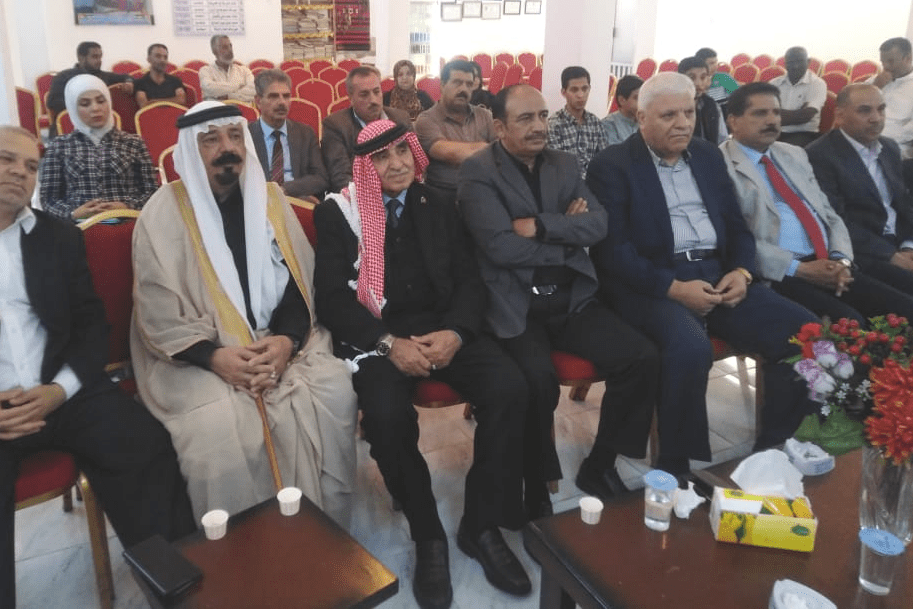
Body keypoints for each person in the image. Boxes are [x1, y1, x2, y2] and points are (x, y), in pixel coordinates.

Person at [0, 125, 194, 608]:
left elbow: (90, 326)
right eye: (5, 159)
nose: (20, 172)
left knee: (144, 447)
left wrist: (60, 390)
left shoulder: (58, 236)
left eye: (31, 166)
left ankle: (181, 593)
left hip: (58, 396)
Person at [315, 120, 531, 608]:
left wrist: (456, 333)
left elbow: (470, 280)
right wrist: (388, 343)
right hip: (380, 335)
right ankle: (428, 531)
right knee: (386, 417)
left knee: (510, 389)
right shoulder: (339, 214)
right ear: (364, 166)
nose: (396, 164)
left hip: (443, 328)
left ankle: (480, 524)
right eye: (382, 157)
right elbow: (331, 299)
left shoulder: (438, 201)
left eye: (402, 152)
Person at [130, 101, 356, 525]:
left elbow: (300, 282)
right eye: (210, 140)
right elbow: (158, 311)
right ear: (189, 150)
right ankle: (243, 545)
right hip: (197, 354)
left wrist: (286, 342)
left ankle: (322, 531)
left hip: (278, 341)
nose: (226, 148)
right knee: (219, 426)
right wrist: (215, 357)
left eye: (235, 136)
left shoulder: (271, 200)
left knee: (332, 390)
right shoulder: (162, 212)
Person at [587, 72, 814, 479]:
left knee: (804, 331)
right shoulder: (613, 166)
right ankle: (675, 467)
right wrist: (673, 288)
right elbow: (613, 251)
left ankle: (773, 446)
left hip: (718, 274)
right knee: (690, 348)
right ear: (641, 118)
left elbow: (737, 227)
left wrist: (742, 272)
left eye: (689, 113)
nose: (683, 124)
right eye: (669, 115)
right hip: (652, 282)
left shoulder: (707, 156)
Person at [459, 85, 659, 508]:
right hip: (516, 304)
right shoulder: (478, 171)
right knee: (536, 383)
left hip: (570, 297)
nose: (539, 127)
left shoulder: (564, 164)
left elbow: (599, 225)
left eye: (543, 116)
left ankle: (600, 464)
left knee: (641, 357)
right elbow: (500, 247)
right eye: (525, 119)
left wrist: (541, 226)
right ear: (500, 128)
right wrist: (567, 238)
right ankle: (537, 485)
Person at [721, 82, 913, 335]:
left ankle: (905, 364)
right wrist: (800, 269)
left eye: (776, 112)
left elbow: (829, 215)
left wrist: (841, 259)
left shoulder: (792, 154)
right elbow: (733, 238)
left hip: (827, 262)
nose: (771, 120)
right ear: (733, 121)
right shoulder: (720, 165)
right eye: (760, 113)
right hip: (781, 272)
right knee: (850, 325)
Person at [806, 83, 913, 303]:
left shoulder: (889, 148)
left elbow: (905, 205)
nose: (876, 118)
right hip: (861, 249)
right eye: (865, 110)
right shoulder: (820, 155)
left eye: (881, 109)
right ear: (840, 115)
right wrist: (890, 255)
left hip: (898, 243)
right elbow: (835, 220)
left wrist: (911, 247)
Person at [38, 75, 158, 221]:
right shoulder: (59, 146)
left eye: (101, 101)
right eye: (85, 104)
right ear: (73, 108)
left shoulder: (133, 143)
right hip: (78, 228)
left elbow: (152, 193)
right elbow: (48, 200)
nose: (95, 108)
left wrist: (127, 206)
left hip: (129, 224)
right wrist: (73, 213)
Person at [322, 65, 409, 192]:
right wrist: (378, 196)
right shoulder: (336, 125)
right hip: (361, 196)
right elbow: (341, 178)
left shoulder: (400, 118)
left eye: (376, 92)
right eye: (364, 95)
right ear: (351, 98)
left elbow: (416, 163)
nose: (373, 100)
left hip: (403, 191)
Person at [415, 59, 495, 195]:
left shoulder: (484, 115)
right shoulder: (426, 119)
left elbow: (505, 150)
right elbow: (451, 153)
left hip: (484, 190)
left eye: (469, 84)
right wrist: (491, 149)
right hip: (443, 193)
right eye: (457, 82)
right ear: (442, 85)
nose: (463, 89)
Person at [248, 69, 329, 202]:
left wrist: (286, 190)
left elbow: (320, 178)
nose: (282, 102)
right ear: (258, 101)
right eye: (273, 96)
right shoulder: (247, 135)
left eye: (286, 96)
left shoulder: (305, 133)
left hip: (298, 199)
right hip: (260, 203)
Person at [872, 37, 913, 159]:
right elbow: (852, 106)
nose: (885, 66)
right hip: (865, 138)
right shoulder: (876, 80)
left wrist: (874, 137)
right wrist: (875, 87)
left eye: (891, 61)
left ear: (908, 58)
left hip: (898, 147)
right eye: (882, 62)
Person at [546, 66, 608, 179]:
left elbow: (604, 160)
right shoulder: (554, 125)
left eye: (585, 89)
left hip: (595, 182)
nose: (581, 95)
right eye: (574, 90)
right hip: (566, 183)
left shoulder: (595, 123)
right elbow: (558, 166)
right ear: (564, 92)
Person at [47, 41, 133, 120]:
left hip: (100, 121)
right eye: (95, 57)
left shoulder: (103, 76)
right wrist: (84, 107)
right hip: (72, 122)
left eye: (100, 57)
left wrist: (129, 81)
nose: (99, 61)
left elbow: (127, 77)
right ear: (81, 58)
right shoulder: (63, 77)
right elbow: (53, 102)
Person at [771, 47, 827, 148]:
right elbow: (764, 113)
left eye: (800, 61)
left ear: (808, 62)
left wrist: (776, 113)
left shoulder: (817, 84)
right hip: (774, 131)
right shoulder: (774, 83)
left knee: (781, 150)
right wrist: (797, 113)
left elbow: (805, 117)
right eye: (791, 62)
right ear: (785, 64)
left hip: (804, 134)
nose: (795, 66)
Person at [679, 55, 728, 144]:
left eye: (703, 77)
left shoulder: (712, 105)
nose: (698, 83)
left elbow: (722, 140)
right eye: (691, 77)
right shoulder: (673, 107)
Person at [198, 35, 256, 103]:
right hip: (216, 108)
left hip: (241, 109)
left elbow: (253, 90)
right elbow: (209, 88)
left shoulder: (244, 70)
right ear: (214, 51)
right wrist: (238, 86)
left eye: (230, 46)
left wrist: (229, 96)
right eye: (224, 47)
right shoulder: (205, 71)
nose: (230, 50)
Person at [134, 43, 186, 107]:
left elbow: (181, 100)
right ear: (149, 59)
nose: (162, 60)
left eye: (165, 57)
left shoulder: (175, 80)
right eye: (158, 56)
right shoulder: (140, 83)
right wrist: (171, 101)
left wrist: (153, 102)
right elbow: (144, 105)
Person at [601, 74, 642, 146]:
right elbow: (614, 152)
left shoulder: (645, 123)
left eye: (643, 97)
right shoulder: (609, 125)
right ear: (621, 100)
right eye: (636, 98)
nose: (641, 102)